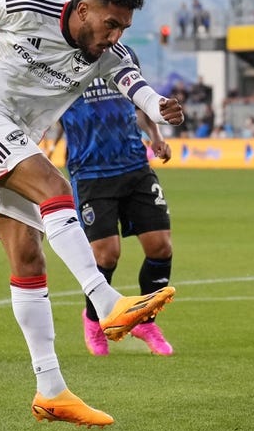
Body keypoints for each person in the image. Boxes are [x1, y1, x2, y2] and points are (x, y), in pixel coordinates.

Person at [0, 0, 183, 428]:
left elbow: (136, 86)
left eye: (124, 29)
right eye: (110, 24)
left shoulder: (106, 53)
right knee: (56, 187)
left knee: (29, 261)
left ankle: (51, 390)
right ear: (84, 9)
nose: (115, 35)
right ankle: (106, 300)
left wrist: (159, 107)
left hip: (16, 140)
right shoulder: (25, 7)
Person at [51, 49, 176, 357]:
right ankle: (94, 319)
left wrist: (156, 135)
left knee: (160, 246)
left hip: (134, 163)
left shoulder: (125, 54)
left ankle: (146, 321)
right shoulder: (60, 58)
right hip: (90, 171)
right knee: (106, 255)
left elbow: (140, 98)